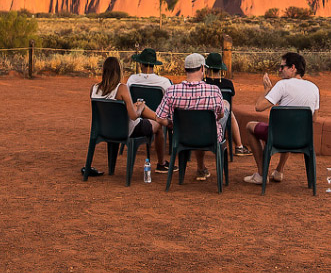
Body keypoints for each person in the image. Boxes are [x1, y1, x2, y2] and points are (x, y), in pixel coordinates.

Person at [241, 52, 320, 186]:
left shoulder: (282, 85)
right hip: (302, 139)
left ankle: (261, 174)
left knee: (250, 126)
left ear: (292, 68)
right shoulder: (314, 88)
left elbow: (258, 107)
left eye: (282, 67)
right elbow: (314, 118)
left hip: (278, 137)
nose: (279, 70)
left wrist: (267, 90)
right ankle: (279, 171)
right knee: (292, 125)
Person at [154, 53, 228, 182]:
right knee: (225, 110)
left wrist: (172, 124)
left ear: (185, 69)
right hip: (210, 137)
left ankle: (200, 167)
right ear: (202, 68)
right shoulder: (214, 90)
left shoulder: (172, 91)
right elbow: (220, 114)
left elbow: (159, 118)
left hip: (183, 136)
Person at [89, 56, 169, 173]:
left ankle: (159, 118)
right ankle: (161, 163)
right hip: (126, 129)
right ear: (119, 71)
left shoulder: (94, 88)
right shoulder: (121, 88)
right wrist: (140, 108)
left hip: (104, 129)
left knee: (137, 105)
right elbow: (133, 116)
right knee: (158, 126)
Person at [202, 52, 250, 155]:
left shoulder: (202, 82)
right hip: (221, 115)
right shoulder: (228, 84)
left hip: (204, 114)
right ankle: (239, 146)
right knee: (230, 114)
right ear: (220, 68)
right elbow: (231, 97)